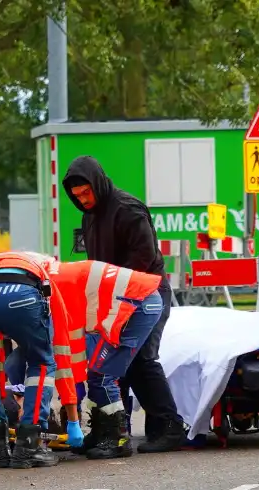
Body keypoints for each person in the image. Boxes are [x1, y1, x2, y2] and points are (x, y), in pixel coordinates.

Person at [62, 156, 187, 452]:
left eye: (86, 193)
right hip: (114, 295)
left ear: (98, 184)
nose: (83, 200)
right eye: (76, 196)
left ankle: (169, 427)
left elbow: (142, 257)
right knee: (117, 363)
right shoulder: (88, 216)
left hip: (147, 292)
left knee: (142, 359)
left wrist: (113, 289)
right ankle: (118, 428)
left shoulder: (128, 209)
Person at [0, 252, 82, 469]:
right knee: (41, 363)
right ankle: (29, 446)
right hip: (20, 295)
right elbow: (59, 347)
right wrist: (73, 419)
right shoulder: (49, 278)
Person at [35, 257, 164, 459]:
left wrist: (72, 407)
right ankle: (100, 433)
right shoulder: (51, 277)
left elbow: (71, 349)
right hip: (137, 299)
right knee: (97, 372)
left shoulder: (56, 289)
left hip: (137, 303)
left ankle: (118, 439)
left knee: (102, 376)